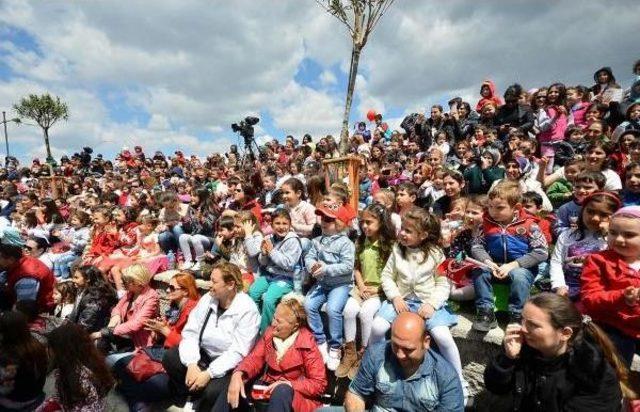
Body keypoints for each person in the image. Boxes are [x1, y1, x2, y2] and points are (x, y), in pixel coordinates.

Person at [369, 206, 468, 399]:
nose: (402, 234)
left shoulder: (435, 253)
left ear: (422, 235)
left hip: (427, 301)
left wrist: (432, 303)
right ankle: (376, 367)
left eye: (408, 231)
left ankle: (458, 380)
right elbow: (387, 277)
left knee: (443, 336)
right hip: (401, 300)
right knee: (377, 327)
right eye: (402, 229)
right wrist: (395, 297)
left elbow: (442, 282)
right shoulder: (398, 250)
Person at [484, 293, 623, 410]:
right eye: (523, 320)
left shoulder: (593, 373)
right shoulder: (523, 349)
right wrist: (508, 359)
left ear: (565, 333)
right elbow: (494, 387)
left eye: (533, 325)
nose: (523, 329)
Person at [162, 262, 260, 412]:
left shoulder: (247, 309)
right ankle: (189, 395)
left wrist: (209, 373)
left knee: (212, 392)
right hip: (204, 356)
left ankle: (199, 400)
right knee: (170, 358)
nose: (209, 285)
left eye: (214, 282)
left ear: (230, 284)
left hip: (227, 366)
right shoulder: (208, 299)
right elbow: (191, 333)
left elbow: (238, 352)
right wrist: (192, 364)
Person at [343, 312, 463, 411]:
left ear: (426, 342)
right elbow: (356, 394)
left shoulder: (446, 377)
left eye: (408, 349)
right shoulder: (376, 355)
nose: (400, 355)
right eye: (395, 345)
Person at [223, 298, 327, 412]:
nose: (273, 323)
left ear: (295, 325)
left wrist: (290, 384)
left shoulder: (307, 344)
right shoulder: (269, 334)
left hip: (295, 398)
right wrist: (239, 372)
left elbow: (319, 384)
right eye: (273, 318)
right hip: (267, 389)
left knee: (282, 390)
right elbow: (254, 358)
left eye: (279, 321)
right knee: (235, 382)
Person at [115, 272, 200, 410]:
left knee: (140, 388)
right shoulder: (174, 306)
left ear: (185, 291)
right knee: (120, 365)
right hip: (159, 354)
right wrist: (157, 332)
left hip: (175, 363)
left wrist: (164, 331)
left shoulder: (194, 311)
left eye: (172, 288)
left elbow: (188, 344)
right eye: (168, 287)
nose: (167, 290)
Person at [471, 181, 549, 330]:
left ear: (516, 208)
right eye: (490, 207)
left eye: (500, 208)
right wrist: (487, 261)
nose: (493, 212)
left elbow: (541, 252)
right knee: (479, 270)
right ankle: (485, 311)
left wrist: (514, 265)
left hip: (520, 267)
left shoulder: (530, 225)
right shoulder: (485, 224)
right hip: (494, 265)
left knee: (519, 276)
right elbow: (476, 246)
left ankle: (517, 314)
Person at [340, 203, 396, 379]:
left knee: (366, 314)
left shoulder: (388, 245)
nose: (365, 226)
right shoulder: (360, 241)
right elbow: (357, 268)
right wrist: (361, 286)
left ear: (381, 222)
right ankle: (350, 352)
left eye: (369, 222)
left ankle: (364, 353)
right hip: (361, 287)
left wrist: (377, 289)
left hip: (380, 291)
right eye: (362, 222)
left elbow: (394, 274)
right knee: (348, 310)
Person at [581, 205, 640, 367]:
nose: (619, 239)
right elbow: (589, 298)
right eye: (613, 233)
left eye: (629, 235)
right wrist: (622, 297)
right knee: (614, 370)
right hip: (614, 327)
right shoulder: (599, 261)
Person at [303, 202, 356, 371]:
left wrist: (326, 269)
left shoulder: (346, 243)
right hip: (322, 284)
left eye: (329, 219)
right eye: (322, 218)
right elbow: (309, 257)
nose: (324, 222)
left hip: (340, 284)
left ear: (339, 223)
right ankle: (320, 340)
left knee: (333, 309)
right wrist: (312, 266)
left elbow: (348, 266)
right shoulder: (317, 240)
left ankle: (335, 346)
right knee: (308, 304)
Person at [550, 192, 619, 300]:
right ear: (582, 211)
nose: (595, 218)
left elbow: (617, 263)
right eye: (590, 212)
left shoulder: (614, 240)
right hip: (568, 287)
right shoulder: (567, 235)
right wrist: (559, 285)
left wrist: (609, 235)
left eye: (604, 215)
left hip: (598, 290)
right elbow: (556, 262)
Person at [91, 264, 159, 366]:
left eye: (126, 281)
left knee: (108, 360)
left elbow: (136, 324)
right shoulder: (131, 293)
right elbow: (117, 308)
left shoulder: (151, 297)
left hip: (140, 344)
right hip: (124, 337)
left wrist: (106, 332)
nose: (123, 283)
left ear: (138, 283)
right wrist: (116, 316)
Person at [40, 323, 114, 412]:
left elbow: (89, 408)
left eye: (50, 347)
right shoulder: (90, 362)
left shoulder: (78, 378)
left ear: (61, 351)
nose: (47, 350)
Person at [250, 209, 302, 332]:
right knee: (253, 292)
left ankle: (265, 331)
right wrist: (263, 253)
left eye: (285, 224)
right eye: (277, 223)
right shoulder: (269, 238)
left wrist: (272, 251)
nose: (281, 227)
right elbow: (263, 263)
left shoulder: (293, 240)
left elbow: (289, 264)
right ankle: (254, 324)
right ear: (272, 225)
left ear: (290, 225)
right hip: (270, 275)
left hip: (286, 278)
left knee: (268, 299)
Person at [0, 311, 48, 411]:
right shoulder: (37, 345)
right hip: (36, 395)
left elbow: (4, 389)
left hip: (17, 403)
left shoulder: (9, 357)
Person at [0, 242, 55, 313]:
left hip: (40, 307)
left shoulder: (26, 278)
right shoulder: (19, 262)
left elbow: (23, 308)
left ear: (11, 259)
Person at [67, 264, 118, 333]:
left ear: (88, 279)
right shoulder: (82, 290)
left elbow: (85, 324)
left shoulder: (95, 298)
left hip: (91, 336)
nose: (73, 280)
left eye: (76, 278)